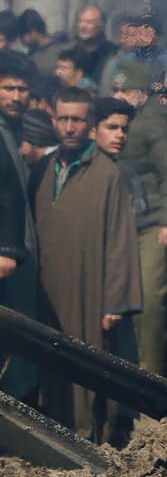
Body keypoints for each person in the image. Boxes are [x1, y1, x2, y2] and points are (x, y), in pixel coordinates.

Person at [33, 87, 141, 440]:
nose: (69, 127)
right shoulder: (41, 170)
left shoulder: (108, 174)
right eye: (62, 119)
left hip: (90, 289)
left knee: (89, 368)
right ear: (53, 120)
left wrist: (114, 301)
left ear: (90, 124)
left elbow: (120, 242)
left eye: (77, 120)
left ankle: (89, 443)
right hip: (49, 289)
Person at [106, 62, 167, 374]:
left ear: (140, 93)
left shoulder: (154, 122)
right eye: (116, 90)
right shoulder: (113, 119)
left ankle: (151, 374)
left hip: (150, 224)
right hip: (119, 223)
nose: (119, 96)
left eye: (125, 90)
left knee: (150, 300)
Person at [0, 52, 39, 399]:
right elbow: (5, 191)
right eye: (8, 88)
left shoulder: (15, 129)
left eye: (22, 89)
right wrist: (7, 249)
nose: (16, 96)